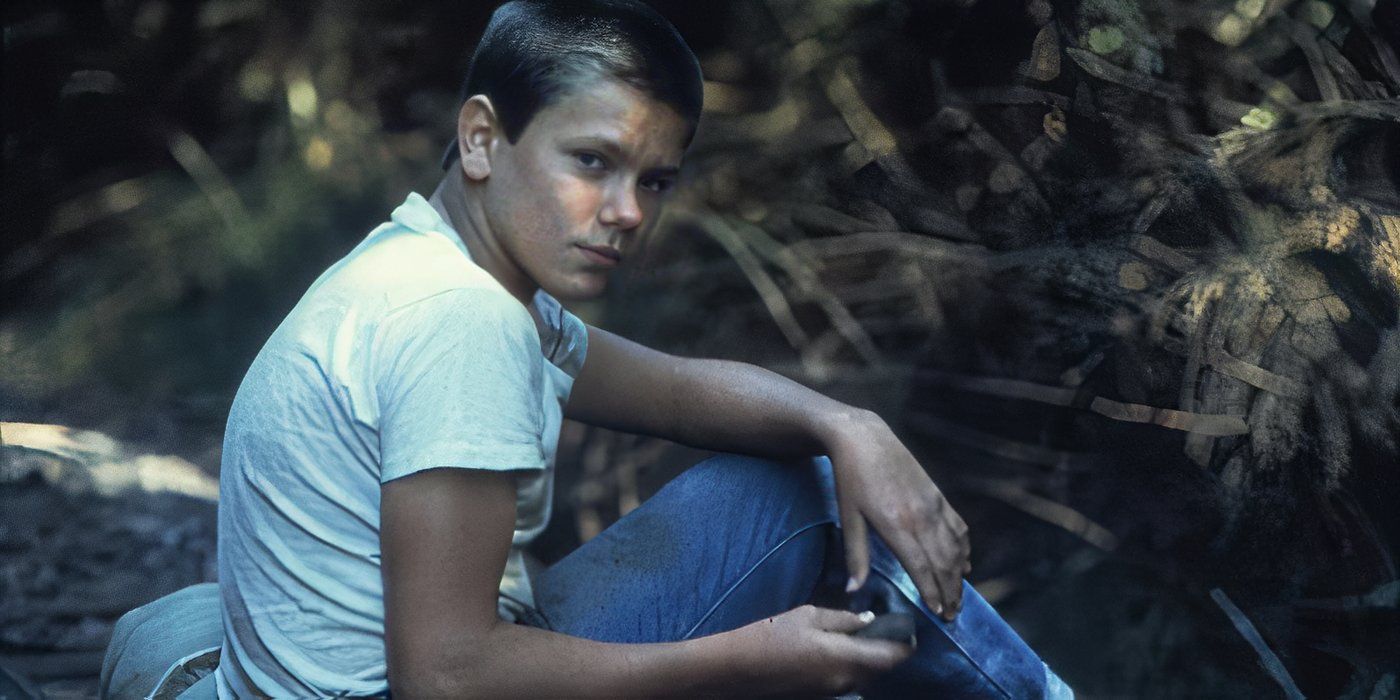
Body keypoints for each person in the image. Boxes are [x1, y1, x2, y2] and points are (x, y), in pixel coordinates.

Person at [100, 1, 1073, 697]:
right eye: (592, 163)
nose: (625, 213)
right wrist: (748, 659)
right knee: (799, 497)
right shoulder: (460, 322)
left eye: (655, 180)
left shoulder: (425, 265)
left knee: (806, 455)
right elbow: (443, 675)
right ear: (482, 138)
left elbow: (678, 392)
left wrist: (845, 421)